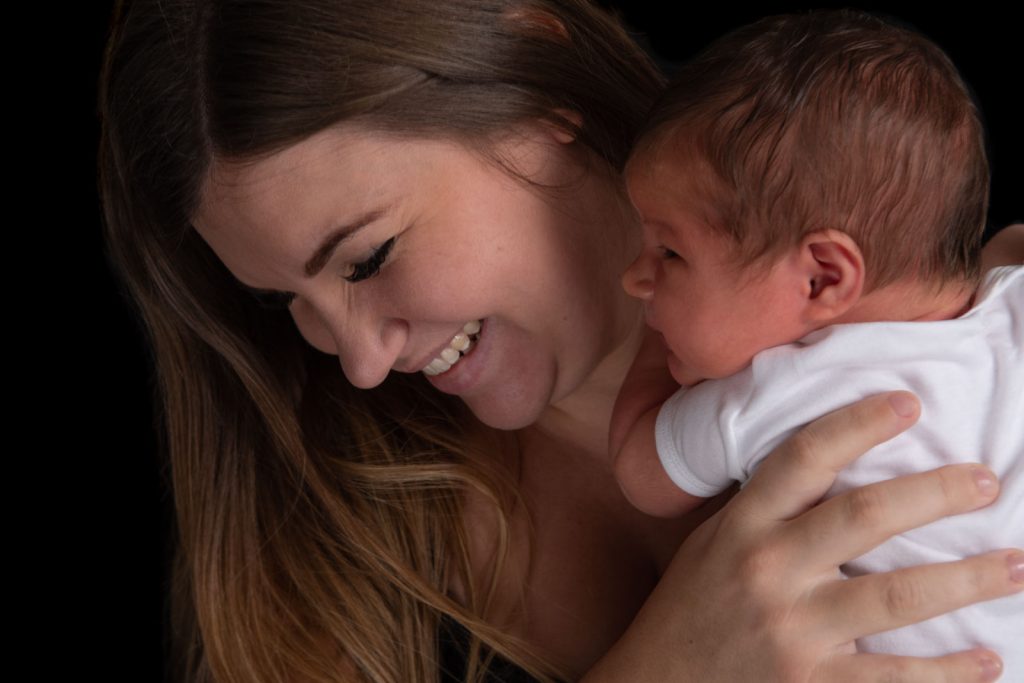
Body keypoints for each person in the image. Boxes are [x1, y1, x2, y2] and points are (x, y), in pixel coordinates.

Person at [98, 1, 1024, 681]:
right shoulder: (321, 563)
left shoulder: (964, 332)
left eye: (368, 256)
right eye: (280, 301)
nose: (362, 363)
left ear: (530, 87)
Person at [612, 8, 1023, 674]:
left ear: (824, 277)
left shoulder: (785, 389)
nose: (637, 278)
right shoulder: (1012, 313)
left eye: (669, 253)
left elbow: (641, 468)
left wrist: (656, 334)